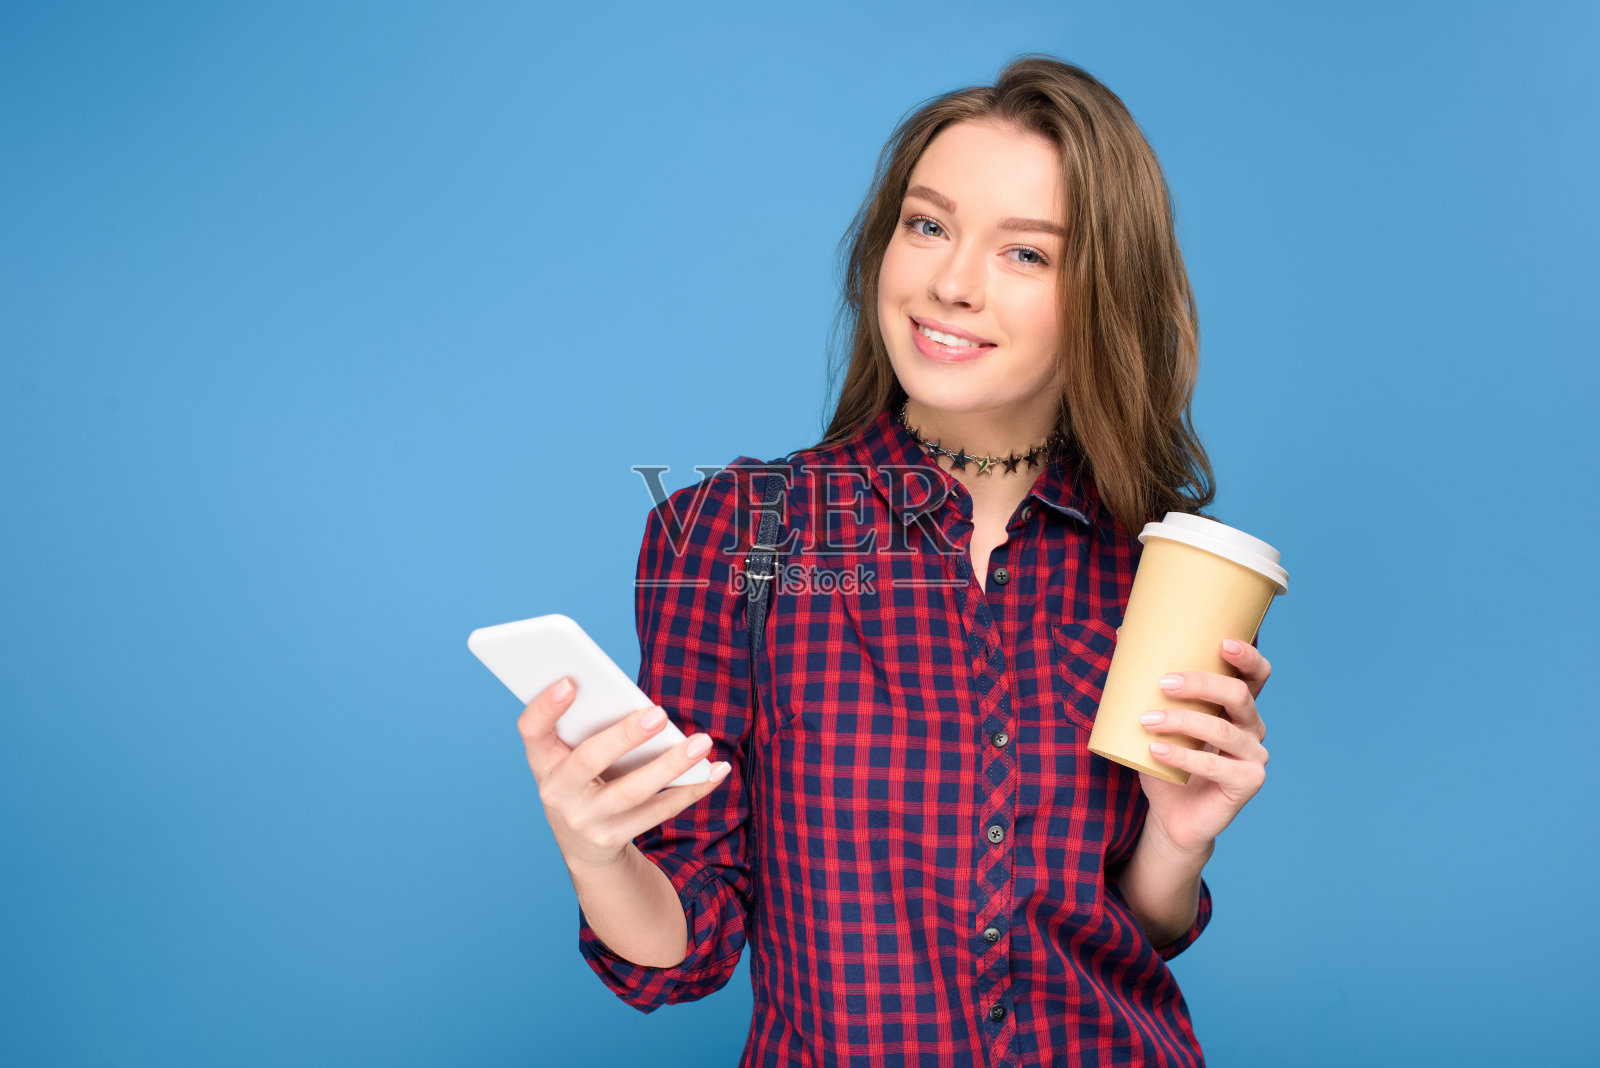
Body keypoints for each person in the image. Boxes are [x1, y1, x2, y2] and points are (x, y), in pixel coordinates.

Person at [517, 55, 1273, 1067]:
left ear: (1103, 294)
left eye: (1026, 254)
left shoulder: (1154, 568)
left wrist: (1179, 839)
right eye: (927, 225)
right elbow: (683, 954)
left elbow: (1138, 932)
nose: (950, 284)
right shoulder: (735, 537)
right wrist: (594, 846)